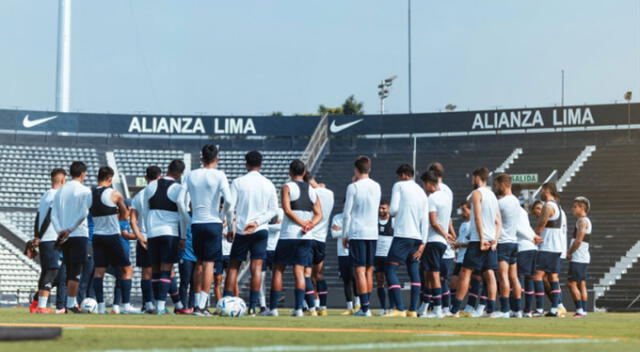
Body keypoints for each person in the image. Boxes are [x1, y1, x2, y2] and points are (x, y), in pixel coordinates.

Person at [225, 151, 278, 316]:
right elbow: (273, 211)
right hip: (259, 230)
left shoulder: (238, 182)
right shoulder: (268, 184)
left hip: (242, 230)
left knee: (233, 267)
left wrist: (230, 229)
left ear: (245, 164)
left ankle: (226, 302)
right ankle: (253, 307)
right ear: (261, 164)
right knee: (257, 268)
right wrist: (257, 223)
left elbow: (229, 207)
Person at [183, 145, 233, 316]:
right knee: (209, 264)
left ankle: (197, 304)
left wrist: (188, 219)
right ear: (216, 159)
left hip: (196, 223)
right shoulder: (219, 175)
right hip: (213, 222)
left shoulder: (191, 174)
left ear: (201, 158)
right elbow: (229, 201)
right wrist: (224, 220)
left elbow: (179, 201)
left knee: (199, 263)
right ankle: (201, 306)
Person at [268, 160, 322, 317]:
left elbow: (287, 210)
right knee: (299, 271)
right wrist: (309, 225)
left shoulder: (287, 187)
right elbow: (320, 214)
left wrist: (303, 223)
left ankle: (273, 309)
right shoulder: (312, 190)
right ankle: (298, 309)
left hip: (289, 235)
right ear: (304, 173)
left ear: (290, 172)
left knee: (278, 270)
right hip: (306, 236)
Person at [449, 167, 501, 318]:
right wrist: (495, 240)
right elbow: (498, 222)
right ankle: (490, 311)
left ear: (478, 178)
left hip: (479, 240)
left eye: (473, 178)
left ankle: (454, 310)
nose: (472, 181)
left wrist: (482, 239)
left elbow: (477, 217)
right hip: (490, 240)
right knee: (489, 274)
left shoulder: (476, 193)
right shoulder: (492, 195)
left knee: (465, 272)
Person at [142, 159, 190, 315]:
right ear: (179, 174)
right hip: (170, 233)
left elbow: (145, 212)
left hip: (153, 233)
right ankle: (161, 307)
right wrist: (183, 237)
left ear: (167, 169)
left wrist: (147, 234)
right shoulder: (178, 188)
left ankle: (157, 304)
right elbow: (183, 214)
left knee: (155, 270)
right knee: (166, 270)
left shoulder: (151, 186)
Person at [383, 164, 429, 318]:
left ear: (403, 175)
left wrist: (394, 212)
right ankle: (413, 310)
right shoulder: (422, 192)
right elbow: (425, 220)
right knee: (413, 272)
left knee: (390, 269)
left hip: (403, 234)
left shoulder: (399, 186)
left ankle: (399, 308)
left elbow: (394, 210)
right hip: (417, 238)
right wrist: (423, 243)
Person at [89, 166, 134, 314]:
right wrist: (118, 218)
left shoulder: (91, 194)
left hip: (97, 236)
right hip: (112, 236)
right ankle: (126, 305)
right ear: (110, 178)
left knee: (99, 271)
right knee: (126, 269)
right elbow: (125, 214)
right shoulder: (114, 194)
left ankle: (101, 307)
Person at [51, 161, 92, 313]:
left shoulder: (60, 191)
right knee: (75, 270)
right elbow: (83, 214)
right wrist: (70, 229)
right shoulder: (85, 190)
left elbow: (53, 214)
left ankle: (67, 304)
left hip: (63, 235)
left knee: (67, 267)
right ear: (82, 174)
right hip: (78, 233)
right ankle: (70, 304)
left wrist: (60, 230)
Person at [343, 156, 381, 316]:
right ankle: (367, 305)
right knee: (369, 270)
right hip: (373, 232)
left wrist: (345, 234)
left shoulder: (353, 187)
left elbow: (347, 213)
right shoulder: (376, 186)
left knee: (359, 270)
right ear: (369, 169)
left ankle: (364, 308)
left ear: (356, 169)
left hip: (358, 232)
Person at [30, 168, 67, 314]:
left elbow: (38, 217)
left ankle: (36, 304)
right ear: (63, 180)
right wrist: (40, 235)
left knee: (46, 270)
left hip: (44, 238)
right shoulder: (57, 195)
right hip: (51, 237)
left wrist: (37, 235)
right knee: (52, 270)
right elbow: (49, 217)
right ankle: (41, 306)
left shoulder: (45, 195)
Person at [421, 170, 454, 318]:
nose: (424, 187)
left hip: (434, 240)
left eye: (424, 184)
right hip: (440, 243)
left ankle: (438, 309)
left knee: (433, 275)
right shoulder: (446, 197)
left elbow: (433, 222)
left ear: (429, 183)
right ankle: (425, 306)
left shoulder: (432, 198)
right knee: (429, 274)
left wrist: (444, 234)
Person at [130, 166, 161, 314]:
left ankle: (148, 304)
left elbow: (133, 220)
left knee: (146, 273)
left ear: (146, 177)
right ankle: (161, 304)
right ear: (159, 177)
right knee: (165, 272)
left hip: (145, 237)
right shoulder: (163, 193)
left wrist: (140, 238)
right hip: (160, 236)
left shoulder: (138, 196)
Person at [493, 173, 523, 318]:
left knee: (503, 277)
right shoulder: (517, 201)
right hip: (513, 242)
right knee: (514, 277)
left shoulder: (501, 203)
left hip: (503, 243)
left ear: (503, 184)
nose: (496, 188)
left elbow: (495, 222)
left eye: (497, 185)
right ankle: (517, 310)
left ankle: (504, 310)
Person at [304, 173, 334, 316]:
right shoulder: (329, 193)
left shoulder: (309, 192)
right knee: (319, 274)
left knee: (306, 274)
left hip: (309, 237)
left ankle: (310, 307)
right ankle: (322, 306)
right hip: (322, 239)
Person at [533, 182, 564, 317]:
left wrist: (534, 236)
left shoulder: (548, 206)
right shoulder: (558, 206)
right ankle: (554, 308)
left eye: (542, 190)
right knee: (553, 277)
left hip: (547, 246)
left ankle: (539, 309)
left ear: (547, 190)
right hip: (556, 246)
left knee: (538, 276)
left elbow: (541, 224)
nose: (540, 192)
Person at [567, 197, 592, 318]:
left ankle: (579, 310)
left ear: (582, 208)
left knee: (572, 283)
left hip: (578, 257)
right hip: (583, 257)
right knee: (581, 284)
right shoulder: (584, 220)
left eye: (575, 206)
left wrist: (569, 252)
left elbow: (578, 241)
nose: (572, 209)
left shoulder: (582, 221)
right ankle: (584, 310)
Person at [516, 204, 541, 318]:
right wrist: (534, 236)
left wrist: (532, 237)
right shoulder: (523, 212)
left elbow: (517, 227)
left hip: (523, 248)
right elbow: (527, 227)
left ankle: (517, 309)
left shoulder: (513, 209)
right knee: (529, 279)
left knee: (519, 278)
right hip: (533, 248)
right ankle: (527, 310)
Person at [374, 200, 394, 315]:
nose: (382, 210)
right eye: (380, 208)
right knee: (380, 282)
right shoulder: (373, 221)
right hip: (377, 256)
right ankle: (382, 308)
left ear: (389, 209)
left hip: (389, 256)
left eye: (384, 208)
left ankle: (391, 307)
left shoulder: (393, 221)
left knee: (391, 281)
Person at [178, 219, 197, 314]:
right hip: (186, 256)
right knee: (184, 282)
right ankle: (182, 306)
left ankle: (192, 306)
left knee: (195, 283)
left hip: (197, 256)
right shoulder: (184, 218)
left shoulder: (200, 218)